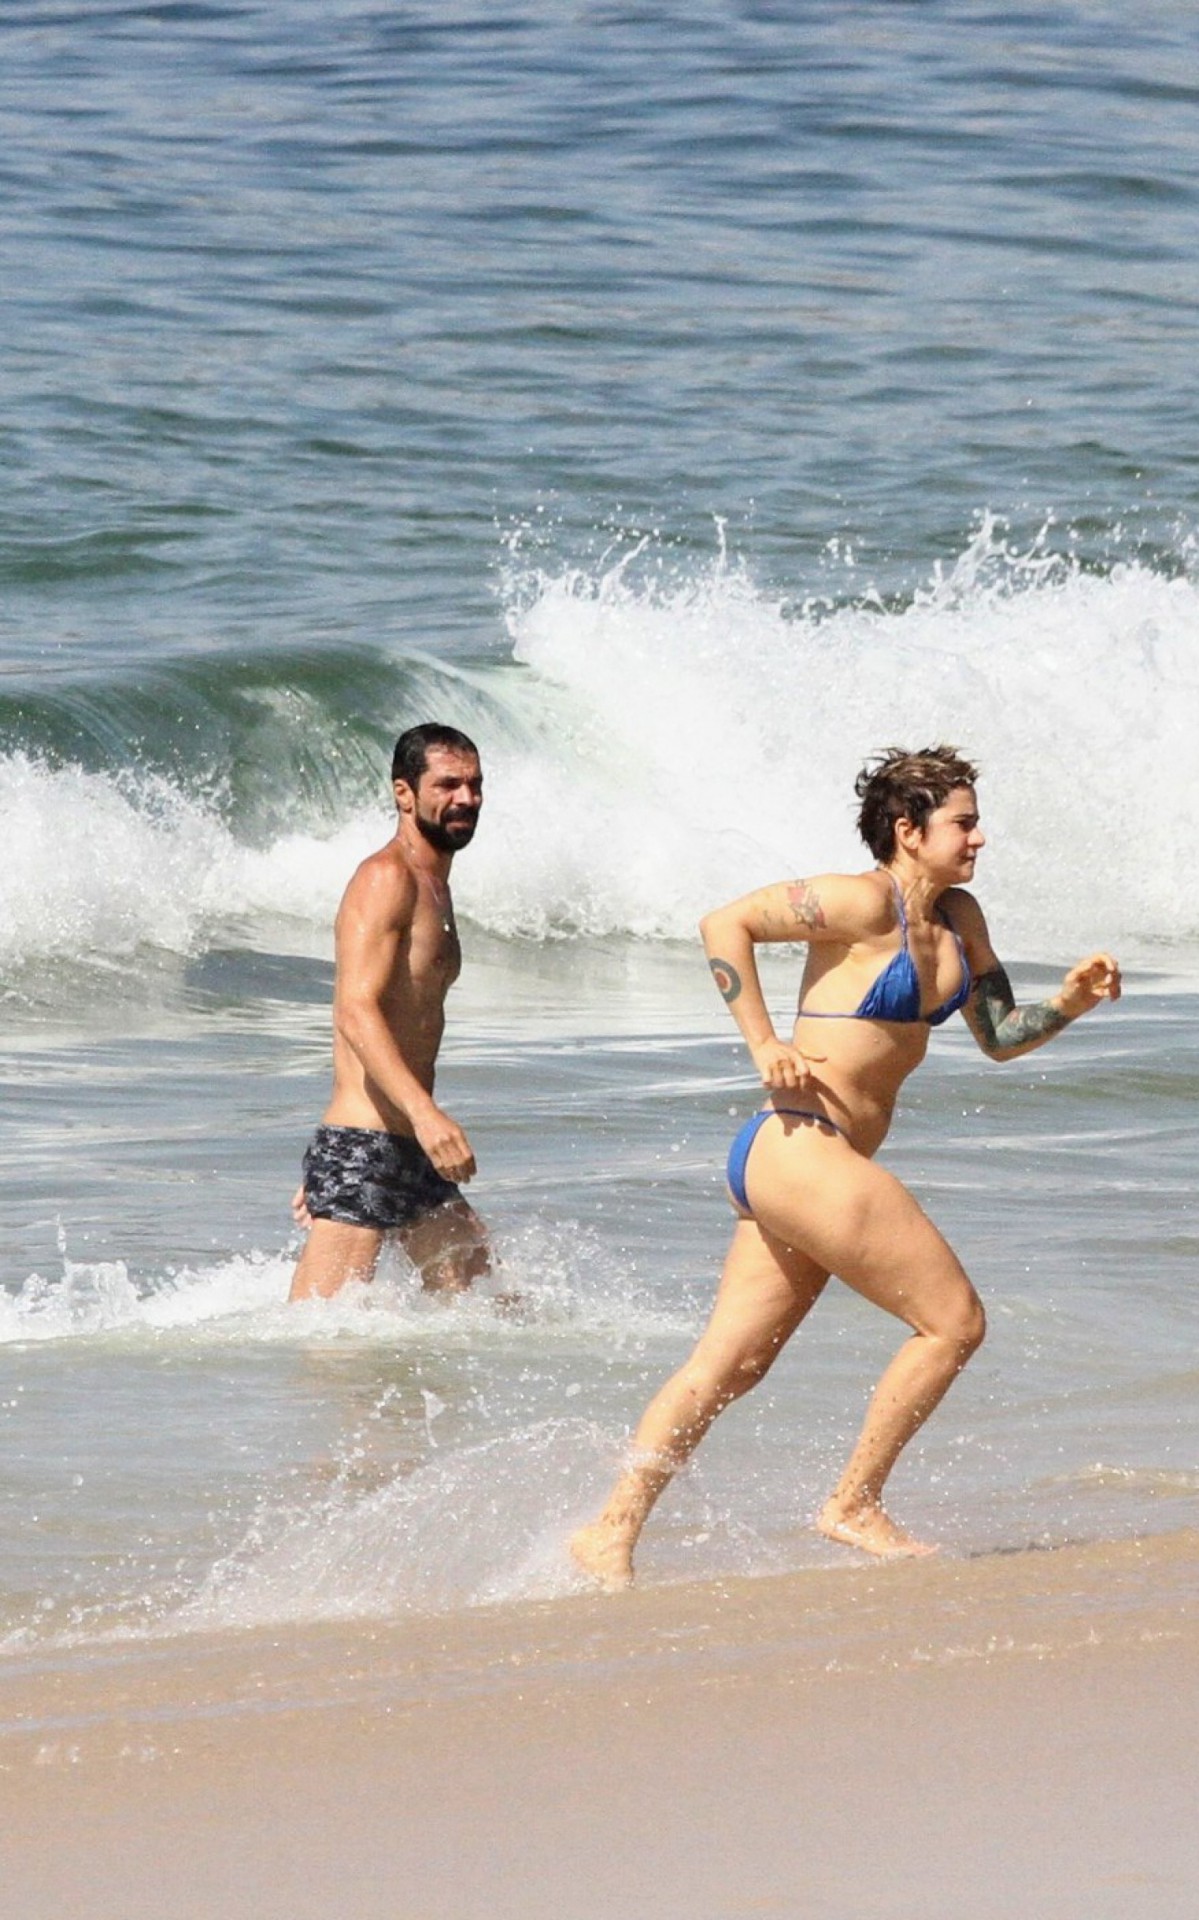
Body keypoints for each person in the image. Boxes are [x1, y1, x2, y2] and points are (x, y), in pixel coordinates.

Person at [571, 746, 1121, 1585]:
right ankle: (852, 1504)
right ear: (908, 830)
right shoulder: (859, 902)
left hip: (803, 1166)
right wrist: (765, 1042)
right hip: (799, 1143)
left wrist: (1073, 1002)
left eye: (975, 822)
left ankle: (608, 1530)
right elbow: (725, 924)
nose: (978, 838)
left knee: (730, 1367)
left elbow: (999, 1037)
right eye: (962, 823)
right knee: (952, 1323)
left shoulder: (960, 920)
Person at [288, 722, 489, 1301]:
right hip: (371, 1144)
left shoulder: (434, 884)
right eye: (448, 784)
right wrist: (422, 1117)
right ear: (404, 793)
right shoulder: (385, 879)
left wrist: (417, 1130)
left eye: (475, 785)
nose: (467, 799)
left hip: (409, 1151)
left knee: (495, 1313)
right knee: (321, 1340)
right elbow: (355, 1009)